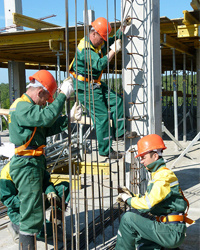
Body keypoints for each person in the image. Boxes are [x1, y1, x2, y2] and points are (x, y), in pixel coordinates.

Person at [8, 69, 82, 249]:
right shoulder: (22, 106)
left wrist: (68, 119)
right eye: (45, 100)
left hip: (34, 163)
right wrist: (63, 95)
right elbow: (46, 118)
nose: (44, 104)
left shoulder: (29, 109)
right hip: (27, 164)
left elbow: (46, 128)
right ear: (40, 92)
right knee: (32, 215)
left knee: (37, 209)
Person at [70, 17, 136, 159]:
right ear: (93, 34)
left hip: (94, 83)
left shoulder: (97, 43)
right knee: (102, 118)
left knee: (117, 101)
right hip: (84, 87)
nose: (103, 42)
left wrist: (122, 27)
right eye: (102, 38)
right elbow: (99, 64)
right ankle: (106, 150)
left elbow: (112, 40)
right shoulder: (85, 49)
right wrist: (113, 52)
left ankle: (120, 133)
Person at [115, 134, 194, 250]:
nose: (141, 161)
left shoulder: (163, 176)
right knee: (141, 240)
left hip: (171, 232)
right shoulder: (157, 175)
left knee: (128, 219)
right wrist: (132, 196)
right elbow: (151, 198)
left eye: (143, 157)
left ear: (155, 156)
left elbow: (147, 205)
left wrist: (128, 199)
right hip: (166, 228)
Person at [0, 161, 70, 243]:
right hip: (20, 208)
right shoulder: (7, 172)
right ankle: (15, 225)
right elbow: (8, 200)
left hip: (39, 200)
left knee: (64, 187)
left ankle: (55, 225)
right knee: (39, 230)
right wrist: (29, 200)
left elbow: (46, 183)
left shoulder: (37, 163)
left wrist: (50, 192)